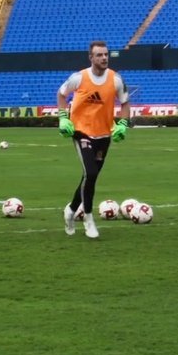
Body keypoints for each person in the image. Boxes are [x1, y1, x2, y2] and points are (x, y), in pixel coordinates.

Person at [56, 41, 131, 239]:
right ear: (91, 58)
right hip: (81, 131)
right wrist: (63, 119)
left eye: (106, 54)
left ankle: (71, 210)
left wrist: (123, 124)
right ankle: (88, 218)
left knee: (91, 176)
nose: (104, 58)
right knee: (90, 172)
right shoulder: (79, 78)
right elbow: (61, 95)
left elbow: (125, 102)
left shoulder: (116, 79)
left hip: (104, 134)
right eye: (99, 55)